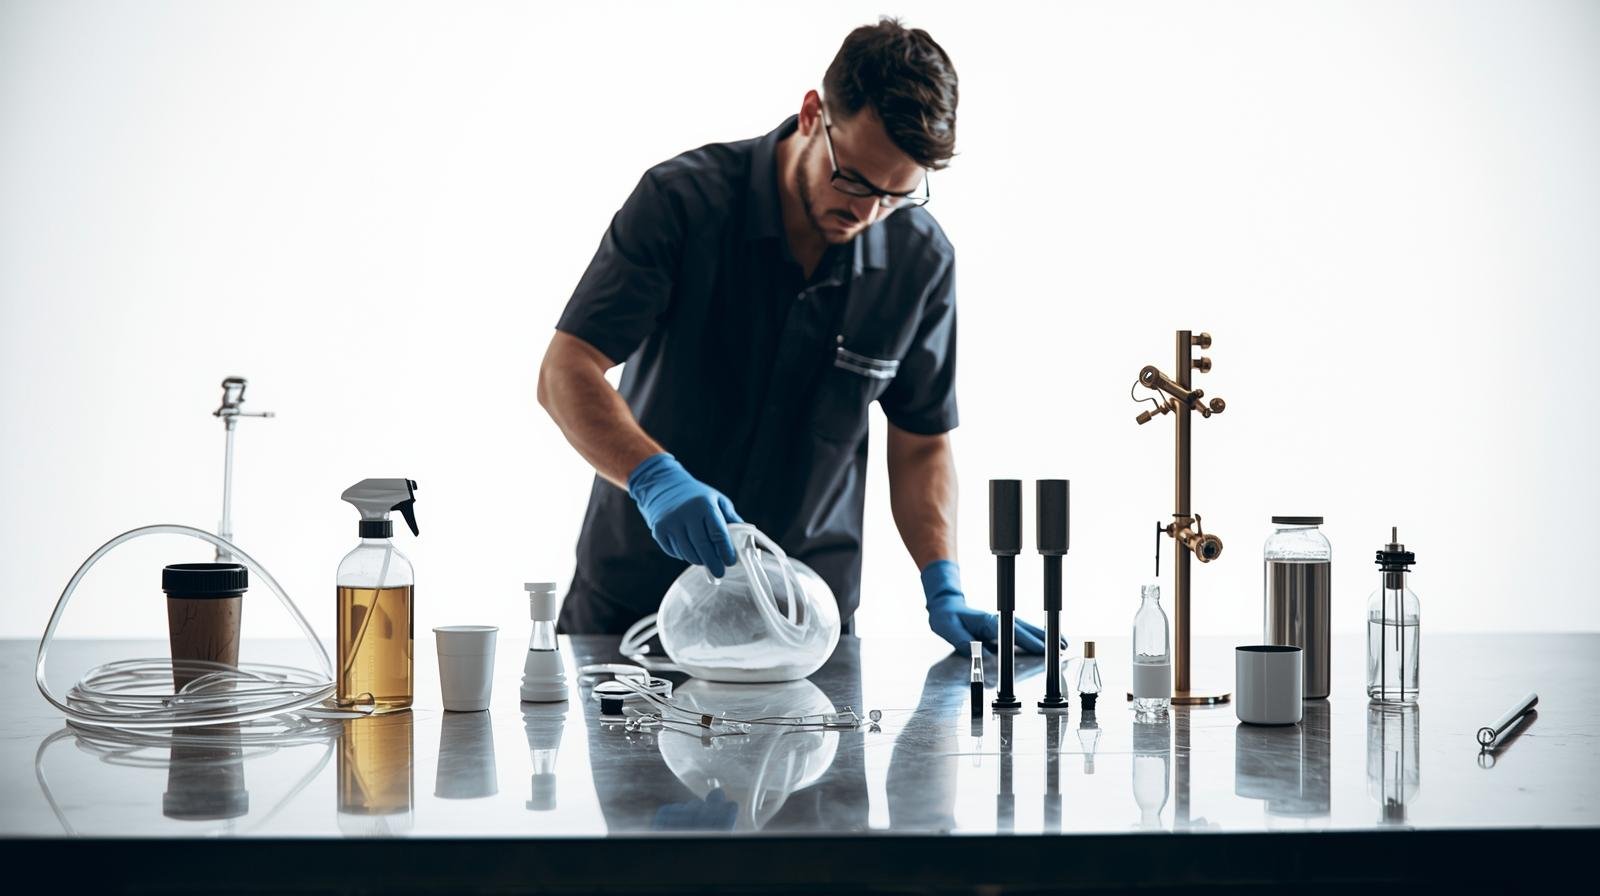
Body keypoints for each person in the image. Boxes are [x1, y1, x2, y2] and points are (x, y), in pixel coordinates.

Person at [538, 17, 1046, 654]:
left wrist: (942, 582)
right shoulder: (682, 203)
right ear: (812, 114)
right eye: (854, 179)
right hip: (635, 605)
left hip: (802, 622)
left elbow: (920, 445)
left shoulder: (920, 261)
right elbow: (566, 370)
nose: (866, 213)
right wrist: (653, 478)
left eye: (895, 195)